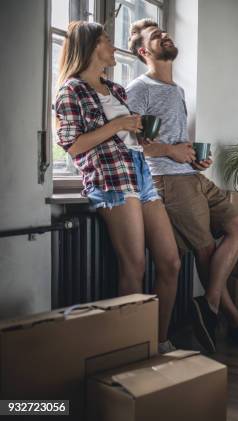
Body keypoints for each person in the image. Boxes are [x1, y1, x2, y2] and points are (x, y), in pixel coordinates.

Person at [126, 19, 238, 353]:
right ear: (145, 51)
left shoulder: (176, 90)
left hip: (190, 175)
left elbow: (171, 140)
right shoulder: (138, 89)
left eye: (164, 31)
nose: (164, 35)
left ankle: (210, 305)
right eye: (156, 36)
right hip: (166, 180)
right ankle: (234, 320)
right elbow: (129, 142)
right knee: (205, 251)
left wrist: (192, 158)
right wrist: (171, 152)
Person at [55, 21, 180, 354]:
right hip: (110, 178)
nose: (113, 46)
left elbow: (128, 136)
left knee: (170, 262)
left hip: (139, 172)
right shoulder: (71, 90)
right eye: (107, 40)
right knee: (134, 267)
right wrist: (117, 125)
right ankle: (131, 348)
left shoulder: (117, 90)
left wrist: (138, 133)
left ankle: (159, 341)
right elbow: (72, 145)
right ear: (92, 46)